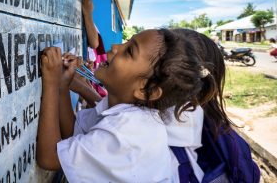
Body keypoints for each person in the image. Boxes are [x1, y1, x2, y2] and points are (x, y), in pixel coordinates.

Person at [37, 28, 232, 182]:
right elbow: (72, 132)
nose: (115, 47)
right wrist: (62, 87)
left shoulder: (129, 130)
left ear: (146, 89)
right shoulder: (128, 109)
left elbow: (49, 159)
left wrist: (51, 84)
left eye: (129, 51)